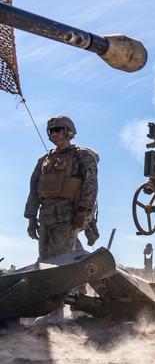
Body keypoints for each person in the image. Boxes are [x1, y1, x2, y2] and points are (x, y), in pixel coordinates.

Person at [23, 115, 99, 321]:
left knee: (59, 265)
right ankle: (59, 308)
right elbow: (34, 190)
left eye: (58, 129)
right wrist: (31, 218)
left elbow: (90, 186)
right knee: (45, 262)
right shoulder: (44, 160)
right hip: (46, 217)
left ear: (68, 132)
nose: (53, 134)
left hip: (68, 218)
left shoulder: (82, 155)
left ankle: (57, 314)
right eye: (51, 131)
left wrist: (83, 213)